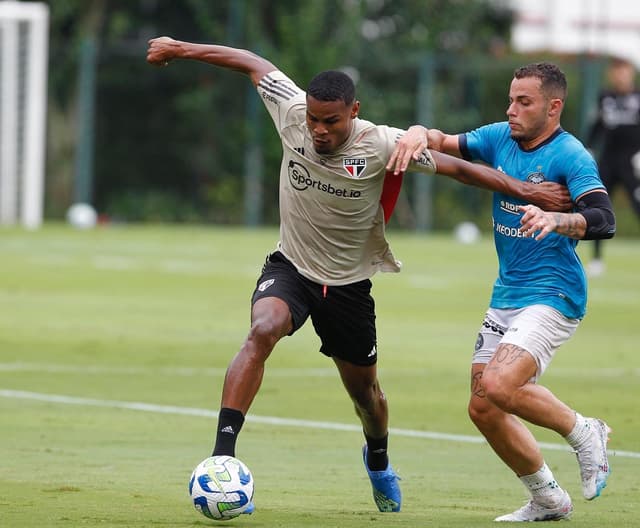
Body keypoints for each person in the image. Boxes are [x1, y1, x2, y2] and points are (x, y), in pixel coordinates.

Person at [146, 39, 570, 514]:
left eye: (331, 121)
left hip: (348, 287)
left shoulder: (381, 142)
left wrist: (525, 190)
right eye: (313, 119)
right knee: (263, 329)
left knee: (366, 396)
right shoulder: (290, 111)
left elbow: (458, 169)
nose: (319, 130)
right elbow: (251, 62)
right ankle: (221, 458)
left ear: (354, 112)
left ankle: (379, 460)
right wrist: (180, 48)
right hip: (291, 267)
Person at [395, 62, 615, 521]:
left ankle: (584, 431)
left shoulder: (570, 155)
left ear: (553, 107)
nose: (511, 109)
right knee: (483, 407)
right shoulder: (499, 137)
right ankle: (548, 499)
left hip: (554, 295)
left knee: (498, 384)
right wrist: (418, 132)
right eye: (511, 99)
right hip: (508, 293)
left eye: (524, 102)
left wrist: (560, 219)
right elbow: (443, 142)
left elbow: (603, 218)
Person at [585, 57, 640, 276]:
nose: (620, 75)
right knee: (598, 207)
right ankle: (596, 260)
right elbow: (597, 125)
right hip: (608, 161)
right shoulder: (605, 97)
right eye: (616, 71)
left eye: (624, 71)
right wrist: (588, 148)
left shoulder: (638, 97)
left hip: (632, 162)